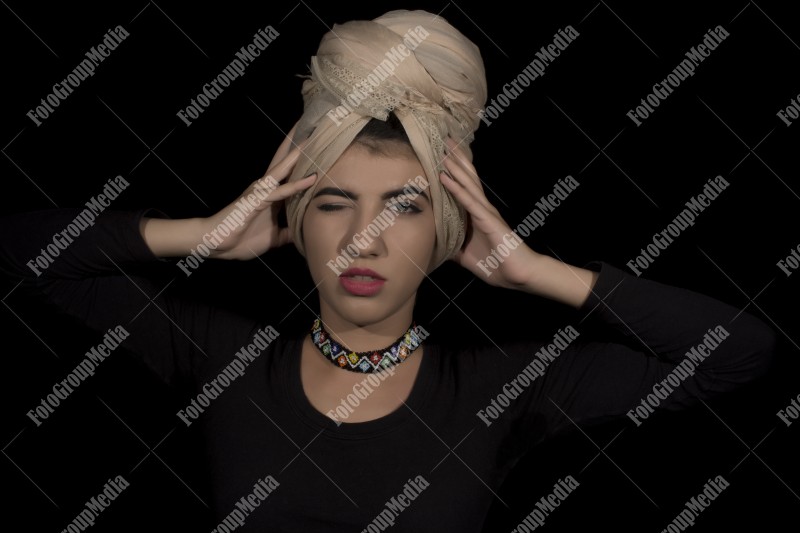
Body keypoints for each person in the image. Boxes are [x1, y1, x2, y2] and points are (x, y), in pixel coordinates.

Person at [0, 9, 776, 532]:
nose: (363, 238)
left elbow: (738, 351)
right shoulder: (221, 357)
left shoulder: (501, 387)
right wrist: (203, 233)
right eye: (335, 203)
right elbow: (19, 252)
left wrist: (536, 269)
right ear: (295, 224)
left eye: (404, 207)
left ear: (443, 231)